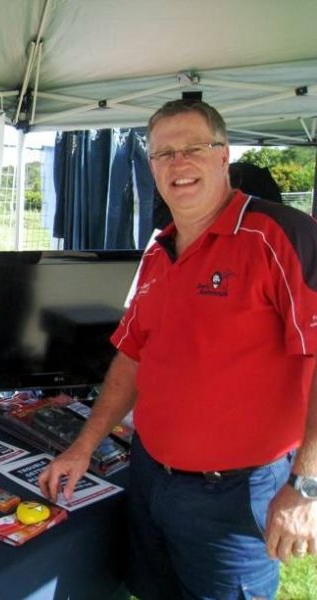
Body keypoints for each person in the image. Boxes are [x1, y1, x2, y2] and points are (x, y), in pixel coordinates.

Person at [38, 98, 317, 600]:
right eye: (163, 153)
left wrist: (306, 486)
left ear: (224, 154)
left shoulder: (281, 235)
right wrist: (83, 447)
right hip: (150, 478)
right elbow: (132, 355)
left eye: (193, 148)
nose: (178, 164)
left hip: (236, 496)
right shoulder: (159, 251)